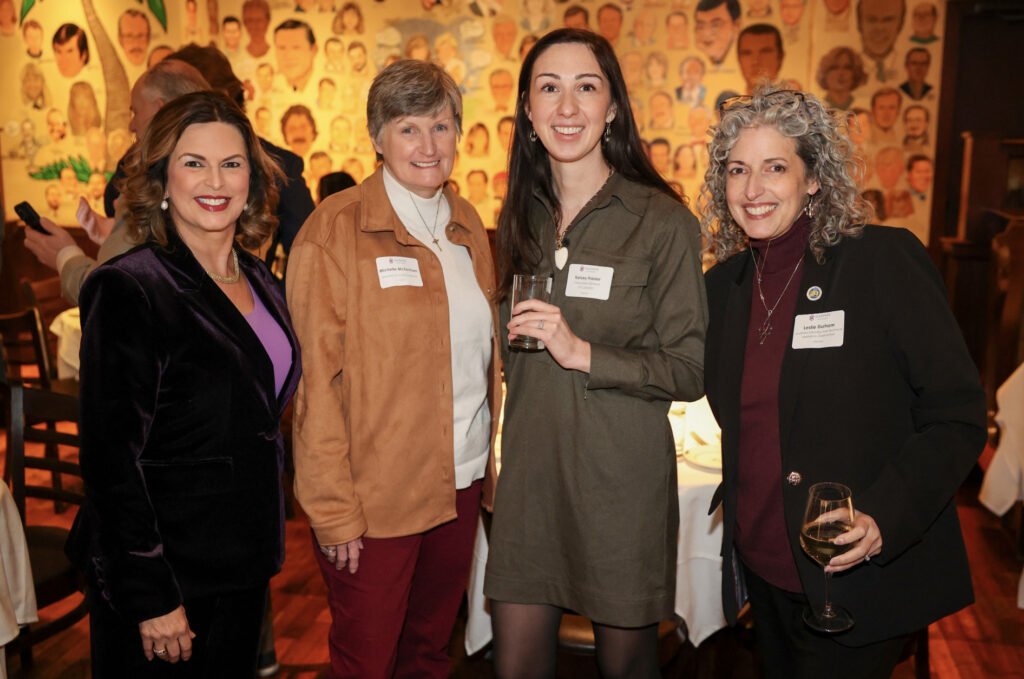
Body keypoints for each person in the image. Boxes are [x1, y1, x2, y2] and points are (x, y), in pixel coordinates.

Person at [699, 86, 985, 679]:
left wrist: (882, 516)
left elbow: (956, 415)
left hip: (858, 574)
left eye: (775, 167)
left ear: (813, 179)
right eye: (737, 170)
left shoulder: (880, 262)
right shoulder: (722, 287)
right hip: (763, 569)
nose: (753, 189)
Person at [486, 28, 707, 678]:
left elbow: (690, 368)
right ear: (528, 110)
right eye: (548, 88)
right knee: (514, 664)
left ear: (612, 108)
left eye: (586, 87)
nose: (567, 106)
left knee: (627, 666)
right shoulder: (518, 220)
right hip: (530, 479)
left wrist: (583, 351)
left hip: (620, 485)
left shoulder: (661, 221)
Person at [65, 90, 301, 677]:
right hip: (166, 575)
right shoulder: (130, 286)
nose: (215, 181)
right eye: (194, 163)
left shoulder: (259, 279)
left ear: (251, 179)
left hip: (242, 561)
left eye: (231, 163)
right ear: (163, 178)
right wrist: (150, 595)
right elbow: (109, 462)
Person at [286, 59, 501, 679]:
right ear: (377, 138)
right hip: (374, 498)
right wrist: (332, 509)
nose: (428, 145)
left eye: (441, 126)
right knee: (367, 661)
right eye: (409, 128)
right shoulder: (335, 231)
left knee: (429, 652)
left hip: (460, 481)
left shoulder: (466, 223)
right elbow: (314, 386)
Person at [24, 58, 212, 304]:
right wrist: (120, 234)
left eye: (135, 111)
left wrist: (64, 255)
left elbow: (110, 292)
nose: (131, 125)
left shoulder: (156, 179)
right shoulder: (224, 172)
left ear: (160, 110)